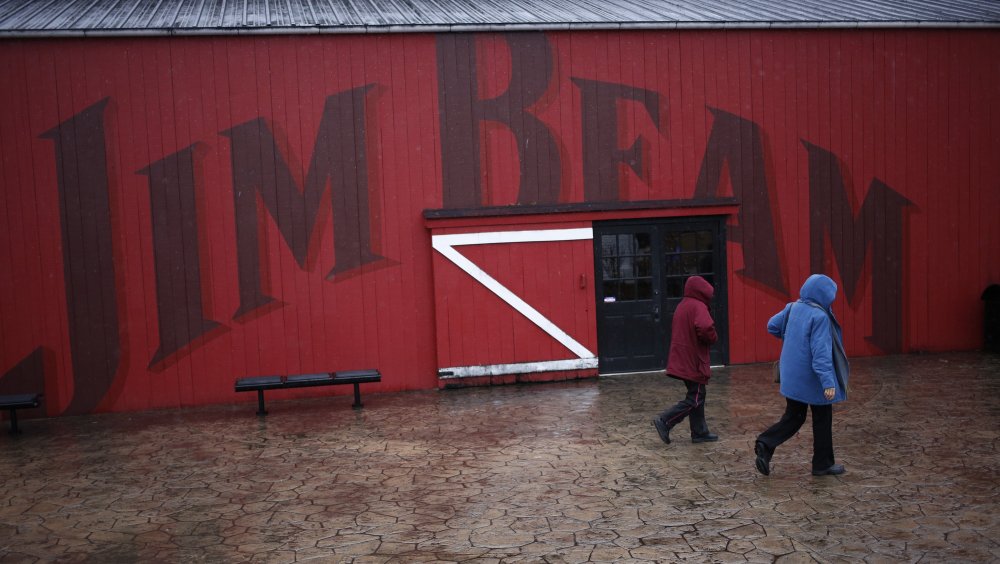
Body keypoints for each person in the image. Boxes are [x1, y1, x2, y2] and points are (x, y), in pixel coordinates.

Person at [754, 274, 849, 477]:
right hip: (812, 378)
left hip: (792, 375)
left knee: (794, 416)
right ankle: (822, 464)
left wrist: (792, 339)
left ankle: (766, 443)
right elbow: (821, 353)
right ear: (824, 296)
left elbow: (772, 325)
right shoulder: (820, 316)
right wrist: (828, 382)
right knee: (822, 418)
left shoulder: (792, 307)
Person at [652, 275, 719, 444]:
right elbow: (705, 327)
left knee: (697, 394)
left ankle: (700, 432)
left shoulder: (683, 305)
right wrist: (713, 338)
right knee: (695, 397)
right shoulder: (698, 306)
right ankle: (665, 421)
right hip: (693, 359)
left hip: (683, 357)